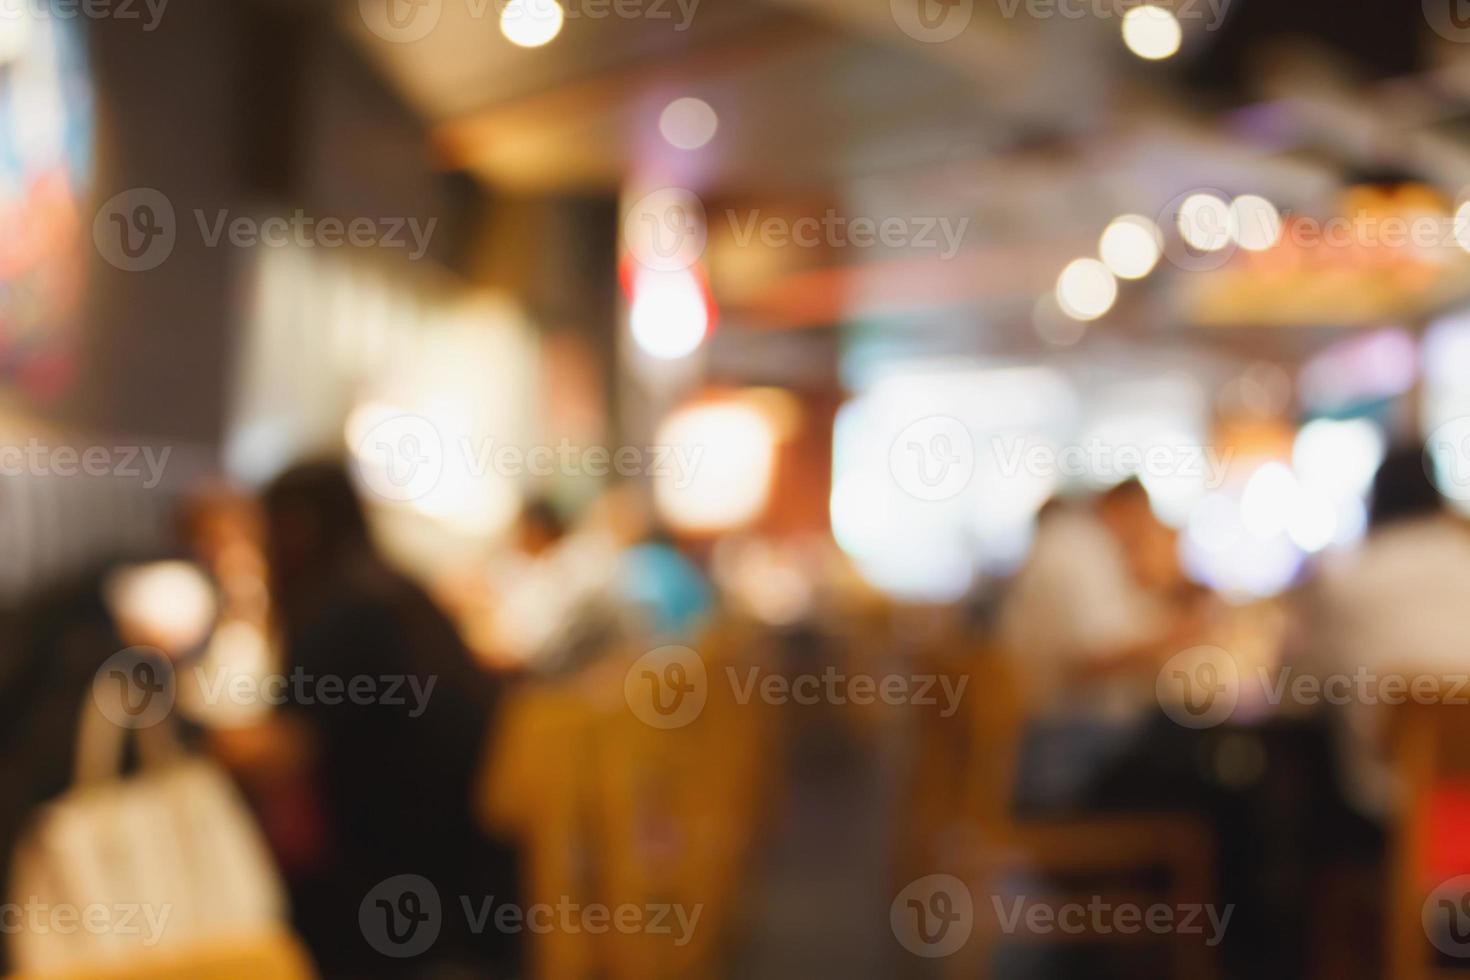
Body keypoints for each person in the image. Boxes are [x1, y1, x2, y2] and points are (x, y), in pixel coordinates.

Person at [255, 461, 518, 978]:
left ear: (293, 527)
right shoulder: (398, 589)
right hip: (466, 870)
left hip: (387, 884)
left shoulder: (342, 612)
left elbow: (282, 753)